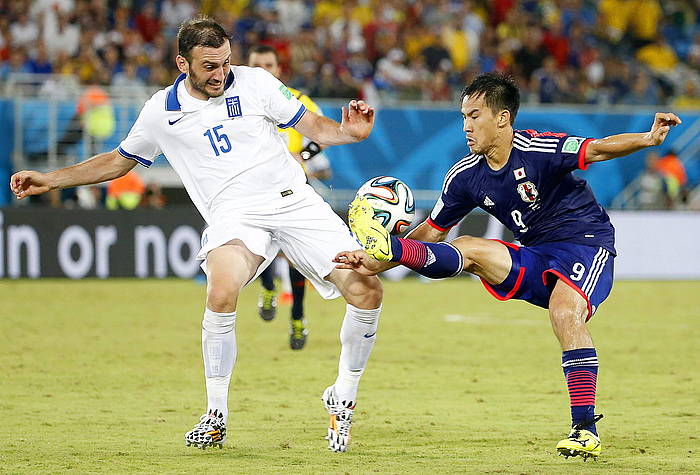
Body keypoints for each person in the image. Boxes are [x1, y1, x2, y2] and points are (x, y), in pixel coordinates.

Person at [10, 16, 382, 454]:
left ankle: (344, 392)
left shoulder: (257, 82)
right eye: (209, 66)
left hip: (293, 200)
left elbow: (313, 127)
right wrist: (52, 180)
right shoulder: (160, 112)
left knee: (367, 289)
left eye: (225, 62)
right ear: (182, 63)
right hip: (235, 214)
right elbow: (118, 161)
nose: (221, 73)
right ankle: (216, 414)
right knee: (221, 289)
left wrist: (347, 133)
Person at [335, 72, 681, 460]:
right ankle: (389, 248)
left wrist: (649, 139)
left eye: (475, 115)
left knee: (565, 311)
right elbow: (431, 232)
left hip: (584, 244)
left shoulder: (537, 148)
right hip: (534, 253)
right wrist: (376, 261)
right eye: (464, 116)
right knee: (467, 246)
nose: (466, 126)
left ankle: (585, 429)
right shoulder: (465, 176)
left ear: (502, 118)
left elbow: (597, 149)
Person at [247, 44, 332, 350]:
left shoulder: (296, 100)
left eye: (268, 65)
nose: (262, 71)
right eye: (256, 65)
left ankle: (297, 317)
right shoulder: (239, 102)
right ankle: (268, 286)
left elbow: (321, 135)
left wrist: (302, 156)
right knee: (256, 245)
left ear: (278, 70)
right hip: (255, 188)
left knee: (296, 257)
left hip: (293, 188)